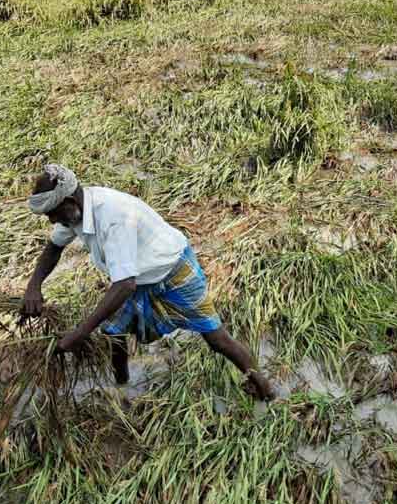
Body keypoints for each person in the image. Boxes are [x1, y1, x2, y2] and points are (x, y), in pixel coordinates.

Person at [21, 164, 274, 400]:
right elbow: (54, 247)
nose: (53, 221)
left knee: (216, 338)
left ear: (68, 201)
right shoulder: (75, 213)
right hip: (137, 278)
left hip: (173, 270)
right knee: (113, 333)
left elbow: (124, 285)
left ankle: (262, 387)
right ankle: (122, 388)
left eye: (52, 214)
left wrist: (80, 332)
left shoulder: (112, 216)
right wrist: (34, 286)